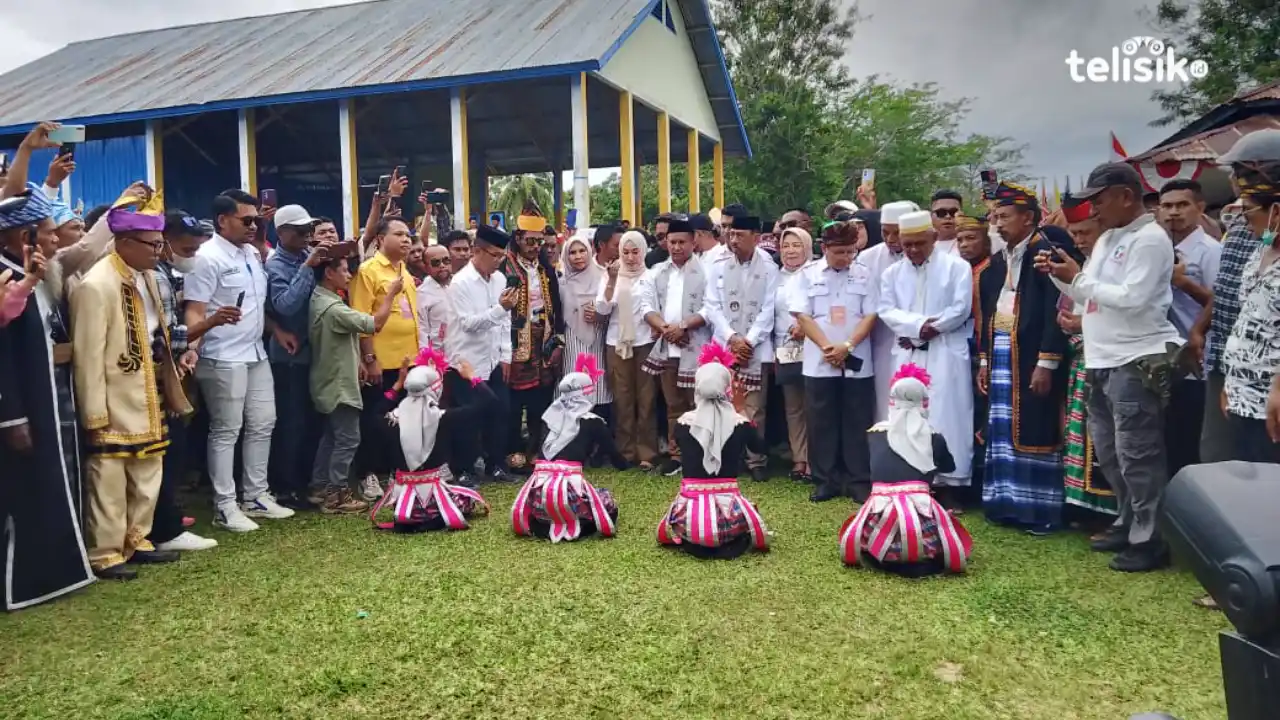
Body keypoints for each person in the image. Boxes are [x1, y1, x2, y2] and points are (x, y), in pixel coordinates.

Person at [1039, 161, 1183, 572]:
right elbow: (1090, 297)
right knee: (1110, 451)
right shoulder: (1109, 239)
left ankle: (1149, 538)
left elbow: (1132, 297)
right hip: (1101, 356)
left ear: (1124, 195)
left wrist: (1078, 281)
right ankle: (1127, 519)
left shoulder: (1151, 239)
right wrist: (1059, 276)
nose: (1094, 210)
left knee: (1139, 453)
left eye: (1098, 201)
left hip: (1135, 358)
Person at [71, 191, 194, 580]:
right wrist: (94, 410)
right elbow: (88, 354)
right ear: (123, 243)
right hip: (113, 395)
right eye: (151, 245)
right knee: (109, 475)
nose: (159, 252)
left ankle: (137, 539)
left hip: (148, 389)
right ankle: (106, 552)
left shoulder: (149, 279)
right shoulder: (96, 284)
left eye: (161, 244)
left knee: (148, 468)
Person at [0, 187, 95, 609]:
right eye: (40, 232)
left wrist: (33, 279)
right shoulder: (6, 274)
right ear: (17, 237)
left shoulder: (24, 272)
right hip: (18, 404)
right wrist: (12, 417)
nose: (50, 239)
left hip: (42, 396)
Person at [186, 190, 294, 532]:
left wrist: (275, 329)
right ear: (222, 220)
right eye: (246, 220)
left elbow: (255, 304)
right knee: (226, 430)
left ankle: (255, 496)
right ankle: (224, 505)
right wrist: (198, 337)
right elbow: (193, 310)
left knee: (264, 422)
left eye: (256, 220)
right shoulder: (206, 257)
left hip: (254, 352)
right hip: (221, 354)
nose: (253, 226)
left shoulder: (251, 252)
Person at [977, 182, 1070, 532]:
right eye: (994, 217)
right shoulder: (999, 260)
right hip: (1002, 349)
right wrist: (984, 361)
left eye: (1004, 216)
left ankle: (1039, 511)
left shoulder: (1047, 251)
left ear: (1028, 216)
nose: (997, 224)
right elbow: (988, 312)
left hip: (1032, 355)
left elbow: (1054, 311)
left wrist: (1047, 362)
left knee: (1035, 423)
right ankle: (1005, 503)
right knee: (1002, 429)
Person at [838, 364, 973, 576]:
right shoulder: (933, 437)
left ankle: (881, 550)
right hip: (919, 516)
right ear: (925, 403)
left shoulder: (874, 434)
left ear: (891, 402)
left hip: (879, 520)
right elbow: (949, 467)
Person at [878, 210, 974, 491]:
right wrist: (919, 326)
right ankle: (911, 478)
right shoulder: (892, 273)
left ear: (933, 238)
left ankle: (950, 483)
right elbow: (886, 309)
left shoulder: (957, 267)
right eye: (907, 244)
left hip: (946, 351)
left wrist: (932, 328)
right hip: (908, 353)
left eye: (919, 243)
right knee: (907, 412)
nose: (913, 250)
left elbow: (960, 308)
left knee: (948, 413)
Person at [657, 343, 771, 559]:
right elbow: (759, 447)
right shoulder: (739, 423)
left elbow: (681, 445)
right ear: (726, 387)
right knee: (749, 511)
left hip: (689, 524)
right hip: (730, 523)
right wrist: (740, 410)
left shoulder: (682, 423)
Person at [790, 220, 878, 502]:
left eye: (850, 251)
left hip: (857, 358)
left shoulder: (865, 274)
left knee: (857, 420)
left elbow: (871, 315)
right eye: (840, 252)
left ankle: (858, 481)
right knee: (821, 421)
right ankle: (825, 480)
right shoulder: (807, 275)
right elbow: (803, 316)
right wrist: (829, 348)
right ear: (825, 248)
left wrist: (848, 345)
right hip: (820, 360)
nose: (846, 258)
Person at [147, 211, 217, 554]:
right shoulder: (155, 277)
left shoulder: (165, 273)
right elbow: (161, 334)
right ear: (165, 242)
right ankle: (164, 528)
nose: (193, 254)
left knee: (173, 448)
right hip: (156, 374)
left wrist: (188, 348)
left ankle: (165, 521)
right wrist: (208, 324)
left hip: (170, 369)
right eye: (187, 249)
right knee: (167, 450)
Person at [310, 255, 400, 513]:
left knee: (331, 437)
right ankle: (336, 496)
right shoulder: (334, 308)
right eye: (344, 270)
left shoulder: (319, 299)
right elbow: (375, 324)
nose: (349, 276)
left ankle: (320, 487)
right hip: (339, 384)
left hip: (328, 380)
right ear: (329, 273)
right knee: (348, 438)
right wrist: (391, 294)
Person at [368, 350, 492, 532]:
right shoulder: (443, 417)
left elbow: (375, 413)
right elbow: (488, 402)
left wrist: (397, 384)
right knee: (466, 498)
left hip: (403, 506)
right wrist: (472, 377)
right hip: (436, 504)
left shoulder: (392, 419)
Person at [511, 355, 626, 542]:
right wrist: (626, 466)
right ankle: (574, 522)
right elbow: (614, 455)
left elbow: (535, 447)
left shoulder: (549, 417)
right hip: (569, 496)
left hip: (539, 496)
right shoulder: (593, 422)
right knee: (607, 503)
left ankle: (544, 523)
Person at [1217, 131, 1280, 463]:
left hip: (1273, 407)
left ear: (1277, 212)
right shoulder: (1261, 250)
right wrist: (1233, 381)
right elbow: (1248, 322)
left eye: (1250, 211)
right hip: (1246, 398)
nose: (1243, 219)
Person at [702, 214, 779, 481]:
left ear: (756, 238)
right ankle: (726, 456)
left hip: (756, 347)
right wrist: (732, 337)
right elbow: (711, 305)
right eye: (731, 234)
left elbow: (770, 308)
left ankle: (756, 459)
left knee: (754, 406)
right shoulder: (718, 265)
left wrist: (750, 340)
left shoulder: (769, 267)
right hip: (725, 345)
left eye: (739, 235)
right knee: (723, 400)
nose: (733, 240)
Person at [350, 217, 421, 501]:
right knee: (374, 419)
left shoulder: (403, 268)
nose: (406, 240)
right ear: (380, 239)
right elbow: (361, 318)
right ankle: (368, 474)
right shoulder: (368, 271)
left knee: (401, 420)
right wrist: (369, 358)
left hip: (407, 360)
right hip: (380, 360)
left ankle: (396, 472)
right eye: (399, 234)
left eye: (408, 235)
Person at [1058, 197, 1118, 518]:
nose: (1079, 240)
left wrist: (1082, 323)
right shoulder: (1085, 265)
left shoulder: (1113, 264)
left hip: (1109, 359)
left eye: (1085, 232)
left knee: (1105, 437)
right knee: (1081, 430)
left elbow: (1120, 307)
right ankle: (1084, 505)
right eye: (1074, 233)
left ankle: (1109, 510)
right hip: (1082, 358)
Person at [264, 204, 327, 508]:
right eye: (301, 231)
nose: (307, 236)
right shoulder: (275, 264)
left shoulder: (306, 256)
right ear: (281, 232)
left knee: (312, 421)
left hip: (312, 351)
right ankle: (284, 488)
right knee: (291, 423)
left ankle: (305, 482)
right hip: (288, 357)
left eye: (309, 230)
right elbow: (285, 305)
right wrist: (308, 268)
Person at [638, 217, 712, 476]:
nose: (677, 247)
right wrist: (667, 329)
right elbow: (646, 306)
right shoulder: (657, 271)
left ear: (694, 242)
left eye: (682, 242)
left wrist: (684, 326)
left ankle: (700, 454)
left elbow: (711, 307)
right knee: (673, 406)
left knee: (699, 403)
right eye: (672, 242)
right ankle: (676, 454)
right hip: (667, 347)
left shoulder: (707, 270)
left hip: (697, 346)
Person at [445, 223, 517, 483]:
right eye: (494, 255)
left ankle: (495, 464)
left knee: (500, 413)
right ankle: (463, 469)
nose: (499, 261)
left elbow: (506, 321)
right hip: (467, 362)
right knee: (467, 416)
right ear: (477, 250)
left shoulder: (498, 279)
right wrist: (500, 309)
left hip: (494, 358)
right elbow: (468, 324)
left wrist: (506, 355)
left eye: (502, 256)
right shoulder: (460, 283)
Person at [1159, 179, 1220, 475]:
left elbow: (1222, 301)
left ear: (1200, 208)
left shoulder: (1210, 251)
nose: (1173, 212)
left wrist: (1182, 282)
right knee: (1166, 439)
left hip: (1199, 361)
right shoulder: (1158, 248)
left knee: (1189, 440)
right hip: (1165, 359)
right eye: (1167, 206)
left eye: (1182, 205)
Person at [500, 206, 565, 472]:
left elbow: (557, 307)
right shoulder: (505, 267)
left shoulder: (545, 269)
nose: (535, 246)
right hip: (516, 338)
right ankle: (512, 449)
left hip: (544, 337)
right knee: (514, 399)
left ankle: (536, 449)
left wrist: (558, 341)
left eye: (539, 241)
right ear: (517, 238)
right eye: (530, 241)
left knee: (541, 396)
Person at [596, 230, 659, 471]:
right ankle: (625, 450)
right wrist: (612, 280)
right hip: (617, 342)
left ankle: (647, 452)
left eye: (635, 252)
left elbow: (657, 307)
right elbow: (602, 308)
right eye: (625, 252)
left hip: (645, 342)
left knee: (646, 398)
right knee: (622, 398)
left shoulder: (651, 277)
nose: (630, 258)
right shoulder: (610, 275)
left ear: (643, 252)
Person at [860, 200, 918, 423]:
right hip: (882, 342)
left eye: (897, 233)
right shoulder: (867, 258)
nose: (891, 239)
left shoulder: (928, 257)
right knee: (886, 402)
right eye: (886, 232)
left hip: (923, 341)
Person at [772, 226, 816, 483]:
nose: (790, 251)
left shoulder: (816, 273)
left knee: (814, 405)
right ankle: (799, 458)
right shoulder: (774, 277)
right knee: (793, 407)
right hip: (784, 349)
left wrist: (804, 326)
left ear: (807, 247)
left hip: (812, 345)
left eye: (796, 245)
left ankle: (814, 460)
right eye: (786, 245)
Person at [557, 233, 613, 419]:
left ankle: (598, 434)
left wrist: (599, 316)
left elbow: (612, 306)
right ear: (566, 255)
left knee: (597, 385)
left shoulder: (602, 277)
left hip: (597, 336)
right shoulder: (561, 281)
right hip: (572, 338)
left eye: (582, 251)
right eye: (572, 252)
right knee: (574, 383)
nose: (578, 256)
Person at [958, 213, 994, 487]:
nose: (964, 244)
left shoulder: (992, 270)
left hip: (986, 351)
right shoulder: (959, 271)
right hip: (963, 350)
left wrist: (984, 358)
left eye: (971, 238)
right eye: (960, 239)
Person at [415, 244, 452, 350]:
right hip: (437, 357)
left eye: (446, 260)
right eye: (436, 263)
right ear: (426, 267)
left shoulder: (459, 285)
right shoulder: (421, 294)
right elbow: (422, 331)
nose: (442, 265)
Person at [930, 189, 964, 255]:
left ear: (962, 214)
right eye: (941, 212)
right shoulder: (921, 247)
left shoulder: (975, 246)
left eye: (953, 212)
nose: (947, 216)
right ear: (931, 215)